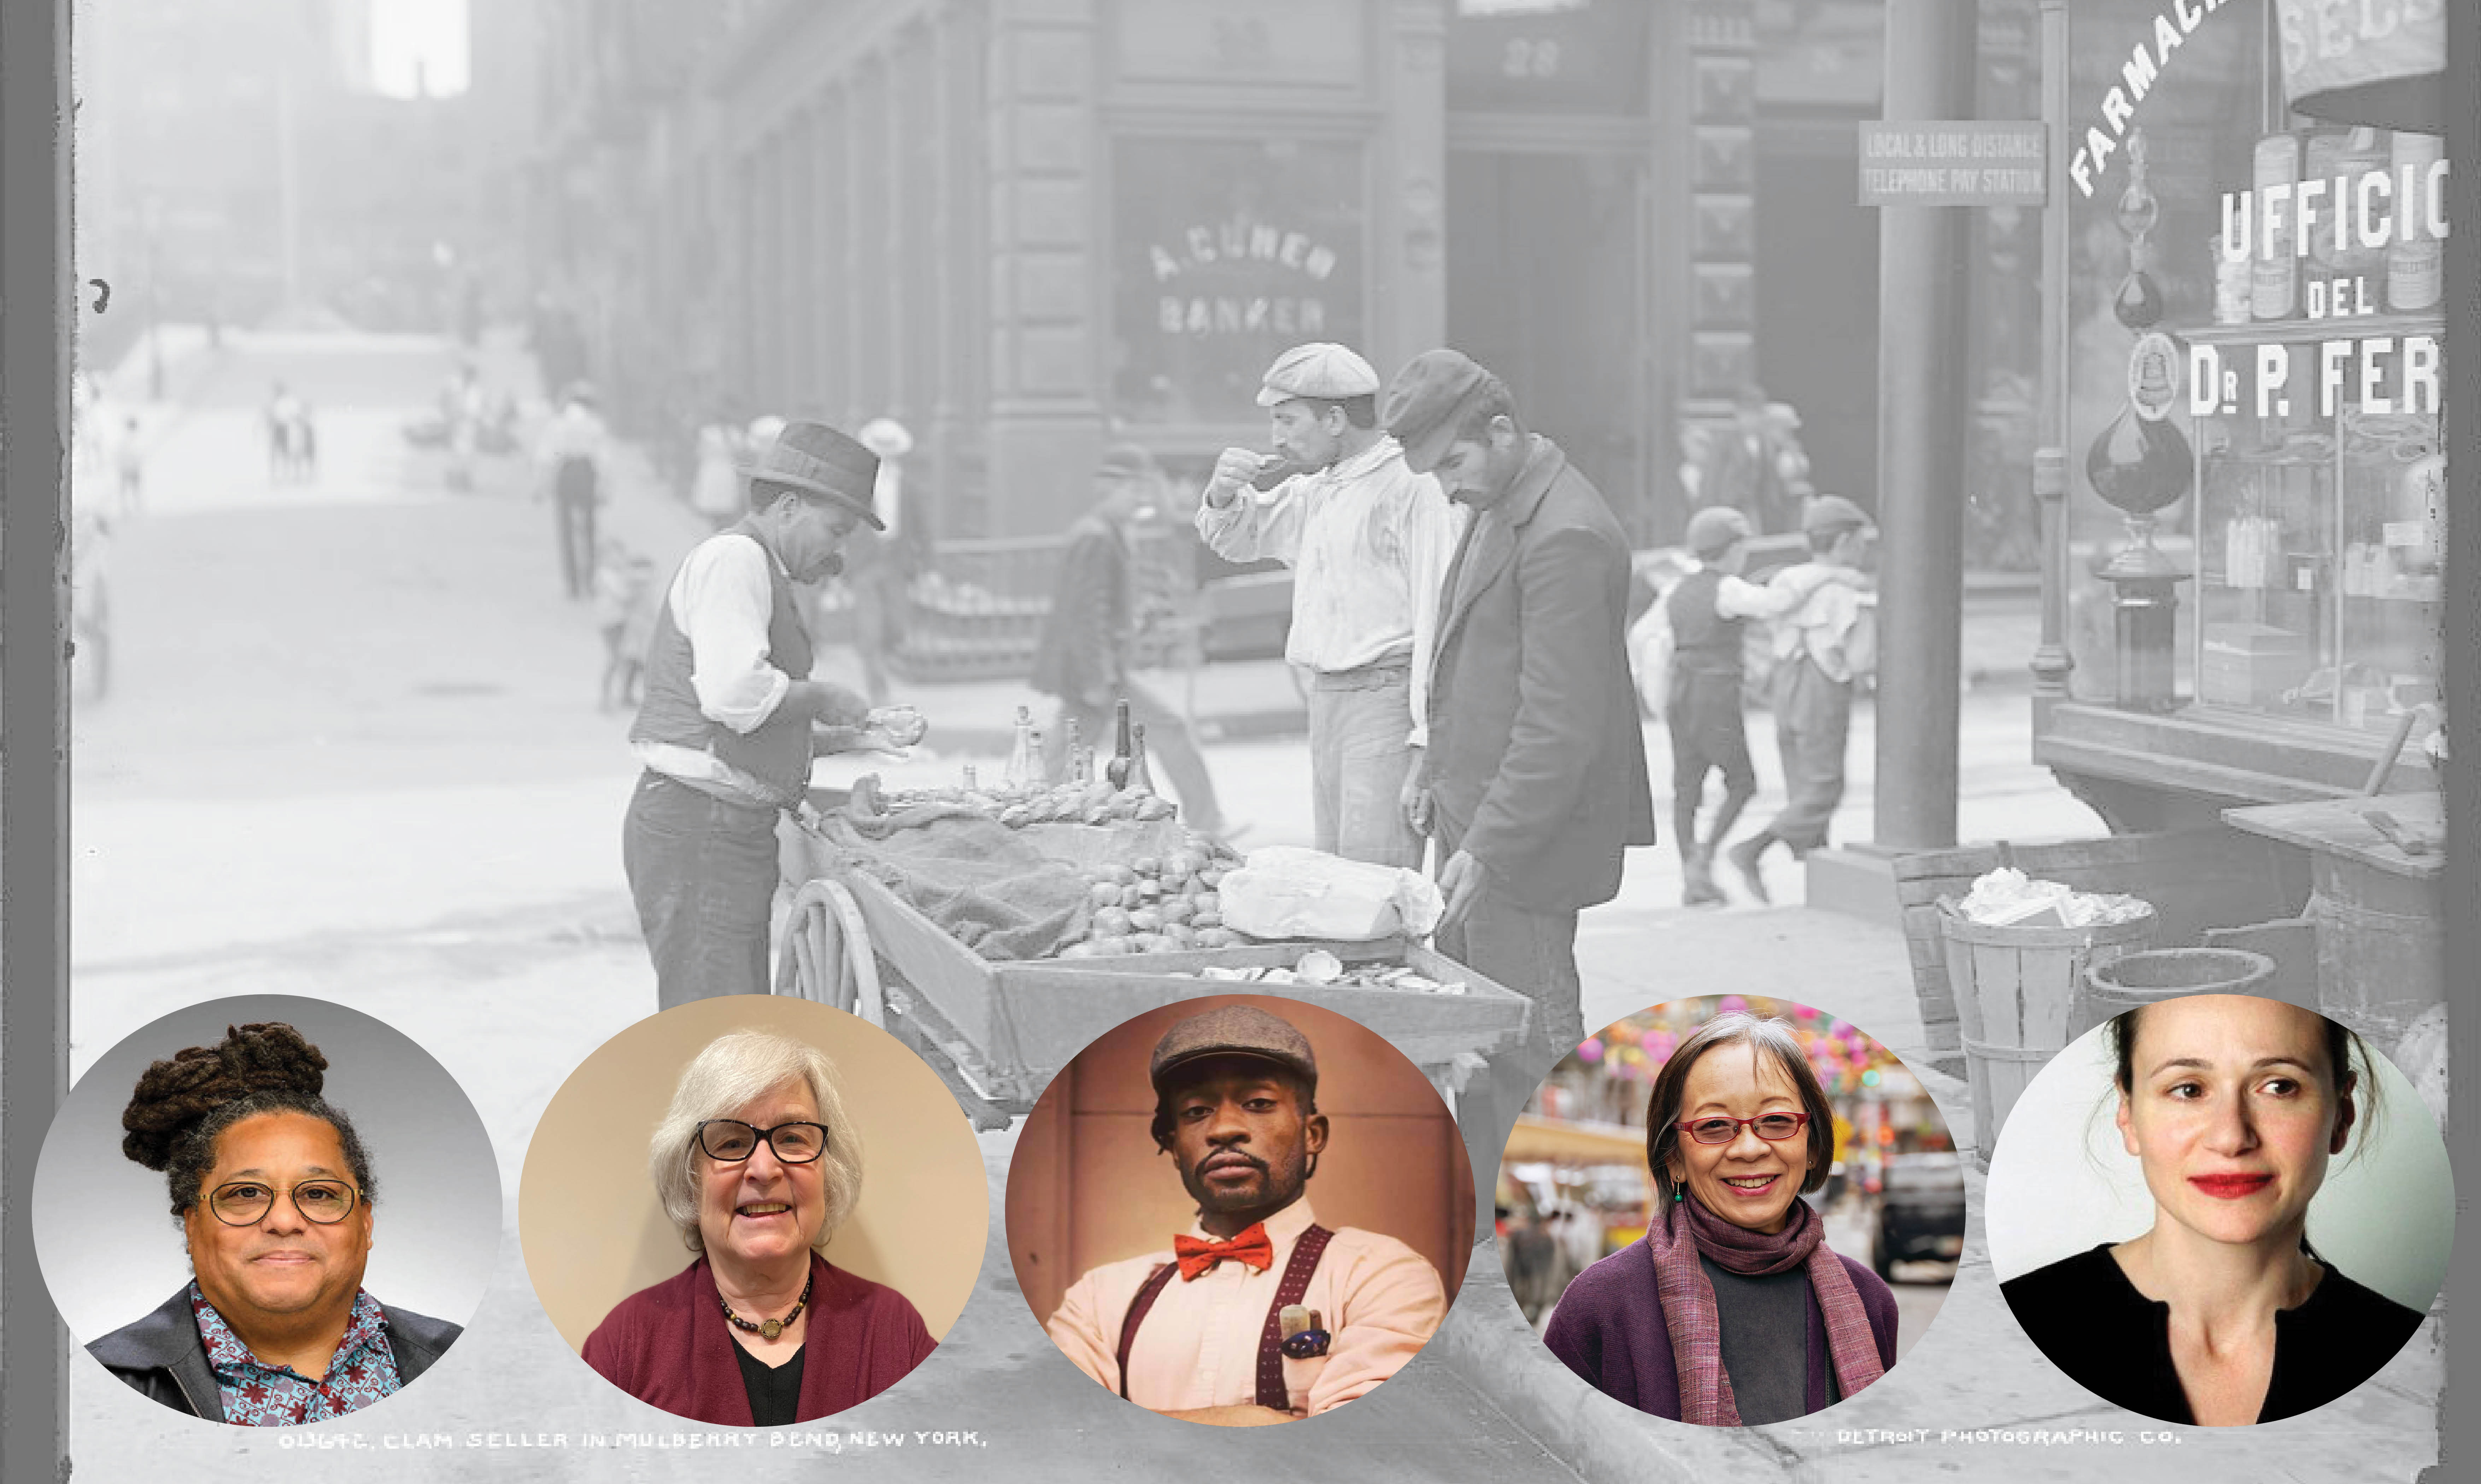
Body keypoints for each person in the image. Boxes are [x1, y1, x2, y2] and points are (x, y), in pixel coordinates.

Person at [1380, 348, 1654, 1090]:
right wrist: (1434, 773)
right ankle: (1490, 1200)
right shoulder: (1504, 499)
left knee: (1532, 1050)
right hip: (1482, 831)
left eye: (1451, 464)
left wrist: (1491, 847)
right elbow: (1472, 662)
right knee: (1482, 1043)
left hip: (1523, 849)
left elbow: (1558, 728)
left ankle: (1556, 1198)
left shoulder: (1565, 534)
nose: (1445, 488)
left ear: (1501, 431)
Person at [1999, 995, 2425, 1425]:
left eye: (2279, 1086)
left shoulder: (2408, 1351)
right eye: (2188, 1090)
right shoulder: (2018, 1323)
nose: (2231, 1137)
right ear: (2128, 1115)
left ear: (2341, 1117)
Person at [623, 419, 929, 1007]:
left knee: (728, 1016)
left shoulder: (759, 566)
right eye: (836, 531)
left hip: (716, 825)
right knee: (718, 1023)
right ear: (790, 506)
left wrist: (851, 736)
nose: (837, 552)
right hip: (698, 827)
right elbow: (735, 696)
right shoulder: (734, 558)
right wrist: (824, 695)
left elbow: (752, 729)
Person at [1043, 1005, 1447, 1425]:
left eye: (1258, 1102)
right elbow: (1058, 1432)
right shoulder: (1098, 1299)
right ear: (1175, 1145)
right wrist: (1256, 1422)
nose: (1224, 1129)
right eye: (1197, 1111)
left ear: (1313, 1134)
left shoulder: (1384, 1273)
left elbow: (1362, 1442)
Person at [86, 1023, 464, 1424]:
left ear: (366, 1223)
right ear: (192, 1225)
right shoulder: (94, 1382)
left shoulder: (463, 1358)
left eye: (318, 1193)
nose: (284, 1221)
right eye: (246, 1194)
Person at [1543, 1013, 1898, 1424]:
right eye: (1714, 1127)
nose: (1749, 1149)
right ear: (1674, 1159)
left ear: (1813, 1146)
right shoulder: (1600, 1306)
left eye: (1777, 1121)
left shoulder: (1870, 1302)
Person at [1195, 344, 1462, 869]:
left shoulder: (1411, 487)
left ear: (1336, 419)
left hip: (1385, 697)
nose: (1277, 438)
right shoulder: (1321, 488)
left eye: (1288, 420)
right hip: (1328, 700)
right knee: (1339, 877)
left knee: (1375, 880)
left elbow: (1441, 615)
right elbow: (1241, 538)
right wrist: (1223, 494)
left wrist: (1426, 737)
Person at [583, 1030, 934, 1425]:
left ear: (829, 1173)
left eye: (791, 1138)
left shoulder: (894, 1332)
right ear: (691, 1178)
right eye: (732, 1143)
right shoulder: (625, 1347)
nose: (765, 1170)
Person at [1646, 506, 1866, 906]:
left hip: (1680, 691)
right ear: (1733, 550)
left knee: (1686, 787)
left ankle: (1692, 877)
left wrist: (1657, 690)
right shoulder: (1728, 588)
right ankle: (1710, 854)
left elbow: (1644, 636)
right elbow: (1774, 604)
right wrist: (1829, 574)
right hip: (1716, 693)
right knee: (1742, 783)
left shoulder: (1675, 589)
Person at [1030, 443, 1230, 838]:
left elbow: (1099, 607)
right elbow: (1085, 614)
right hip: (1096, 669)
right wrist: (1096, 676)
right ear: (1108, 489)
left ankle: (1034, 821)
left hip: (1096, 667)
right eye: (1132, 491)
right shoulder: (1097, 537)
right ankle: (1208, 824)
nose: (1140, 499)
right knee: (1167, 729)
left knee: (1066, 749)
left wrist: (1135, 619)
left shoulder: (1107, 533)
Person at [1723, 494, 1877, 903]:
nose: (1863, 550)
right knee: (1826, 786)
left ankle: (1816, 877)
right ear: (1843, 541)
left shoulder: (1786, 582)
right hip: (1821, 688)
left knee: (1801, 785)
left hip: (1784, 687)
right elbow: (1861, 659)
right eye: (1861, 541)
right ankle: (1752, 849)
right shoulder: (1846, 594)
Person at [839, 417, 934, 706]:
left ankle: (884, 661)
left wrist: (930, 568)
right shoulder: (857, 486)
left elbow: (922, 528)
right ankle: (879, 691)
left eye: (889, 449)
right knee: (870, 634)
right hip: (865, 565)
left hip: (896, 564)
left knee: (897, 628)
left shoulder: (908, 486)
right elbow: (843, 524)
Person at [537, 382, 612, 600]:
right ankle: (590, 580)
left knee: (566, 529)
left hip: (567, 472)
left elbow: (547, 455)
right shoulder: (595, 425)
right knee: (590, 528)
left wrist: (542, 484)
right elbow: (604, 459)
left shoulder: (558, 424)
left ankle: (572, 584)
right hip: (587, 472)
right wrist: (604, 486)